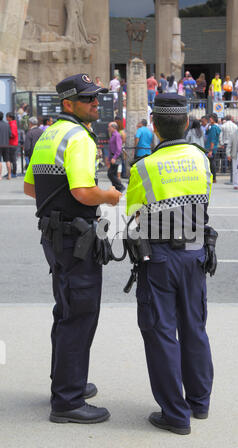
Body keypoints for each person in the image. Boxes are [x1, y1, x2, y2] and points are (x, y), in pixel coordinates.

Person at [24, 73, 122, 424]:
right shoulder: (79, 137)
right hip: (75, 239)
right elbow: (84, 191)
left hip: (54, 237)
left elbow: (29, 189)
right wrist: (111, 195)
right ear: (69, 103)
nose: (96, 103)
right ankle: (67, 401)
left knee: (65, 311)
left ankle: (65, 381)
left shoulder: (49, 134)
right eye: (88, 99)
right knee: (80, 315)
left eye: (96, 98)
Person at [126, 93, 215, 435]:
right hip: (194, 251)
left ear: (155, 127)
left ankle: (175, 414)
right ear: (186, 123)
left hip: (159, 257)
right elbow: (205, 201)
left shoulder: (144, 167)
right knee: (194, 326)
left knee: (161, 332)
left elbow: (133, 216)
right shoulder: (201, 159)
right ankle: (199, 403)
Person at [107, 121, 125, 192]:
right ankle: (115, 188)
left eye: (109, 127)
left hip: (115, 156)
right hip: (112, 156)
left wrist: (114, 157)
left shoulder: (117, 135)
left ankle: (120, 186)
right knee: (112, 173)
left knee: (110, 174)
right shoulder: (113, 135)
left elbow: (119, 148)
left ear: (113, 127)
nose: (108, 128)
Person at [205, 113, 221, 183]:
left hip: (211, 147)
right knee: (211, 162)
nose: (209, 119)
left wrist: (210, 150)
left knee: (211, 163)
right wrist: (209, 125)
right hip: (211, 147)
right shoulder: (213, 127)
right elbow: (207, 132)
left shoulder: (214, 128)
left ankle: (213, 178)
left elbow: (213, 139)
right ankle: (213, 177)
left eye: (210, 118)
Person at [6, 112, 18, 178]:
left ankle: (14, 172)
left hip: (12, 144)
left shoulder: (12, 124)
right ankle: (10, 172)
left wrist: (7, 135)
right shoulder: (11, 124)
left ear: (10, 117)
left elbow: (13, 134)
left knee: (12, 159)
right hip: (11, 143)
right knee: (10, 159)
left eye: (7, 117)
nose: (6, 118)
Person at [0, 111, 11, 180]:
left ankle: (0, 176)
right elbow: (10, 135)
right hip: (6, 145)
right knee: (7, 160)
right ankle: (9, 175)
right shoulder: (7, 125)